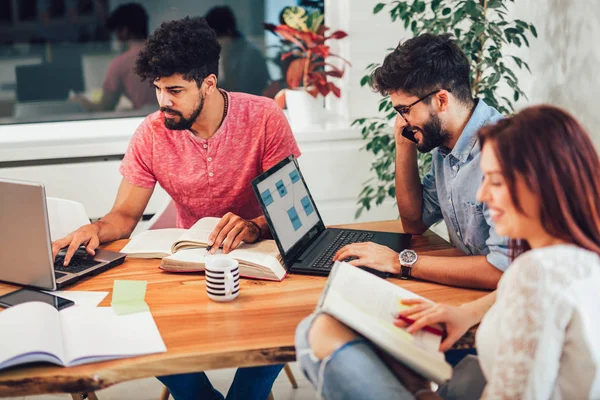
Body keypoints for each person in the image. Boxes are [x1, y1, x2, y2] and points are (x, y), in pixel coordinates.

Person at [52, 17, 300, 400]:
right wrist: (94, 229)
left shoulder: (264, 117)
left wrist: (254, 226)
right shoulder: (152, 133)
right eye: (157, 89)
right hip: (189, 258)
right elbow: (124, 217)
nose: (163, 102)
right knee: (126, 312)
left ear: (209, 84)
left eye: (175, 90)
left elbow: (289, 211)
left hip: (259, 259)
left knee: (283, 318)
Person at [296, 105, 600, 399]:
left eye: (494, 181)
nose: (482, 195)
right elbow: (521, 290)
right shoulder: (581, 257)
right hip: (477, 380)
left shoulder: (536, 273)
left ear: (541, 185)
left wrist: (418, 390)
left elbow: (530, 286)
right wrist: (466, 313)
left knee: (317, 332)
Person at [333, 33, 508, 290]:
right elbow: (414, 223)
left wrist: (400, 262)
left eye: (405, 110)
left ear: (441, 100)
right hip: (469, 295)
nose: (402, 122)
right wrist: (404, 143)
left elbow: (502, 271)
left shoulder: (504, 153)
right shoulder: (447, 146)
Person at [74, 3, 156, 111]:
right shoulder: (167, 54)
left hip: (148, 122)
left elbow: (104, 108)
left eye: (116, 32)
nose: (116, 38)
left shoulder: (120, 64)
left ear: (124, 31)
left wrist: (79, 101)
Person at [205, 6, 271, 96]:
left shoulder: (250, 55)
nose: (214, 43)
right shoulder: (217, 53)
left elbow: (237, 89)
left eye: (217, 37)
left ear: (229, 33)